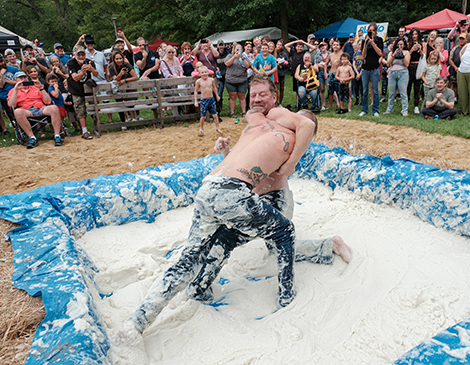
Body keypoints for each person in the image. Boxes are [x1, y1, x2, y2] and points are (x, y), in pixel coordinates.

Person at [113, 75, 323, 359]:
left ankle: (136, 322)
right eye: (254, 95)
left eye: (264, 95)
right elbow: (247, 160)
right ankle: (287, 296)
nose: (258, 100)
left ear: (276, 100)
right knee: (280, 234)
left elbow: (304, 125)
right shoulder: (259, 122)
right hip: (232, 193)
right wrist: (229, 149)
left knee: (191, 260)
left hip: (213, 191)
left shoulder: (269, 119)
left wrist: (290, 160)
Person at [7, 71, 63, 148]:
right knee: (17, 111)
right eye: (21, 78)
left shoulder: (35, 87)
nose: (24, 79)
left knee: (54, 108)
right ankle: (32, 138)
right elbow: (11, 105)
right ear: (16, 80)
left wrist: (41, 88)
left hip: (40, 108)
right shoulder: (12, 91)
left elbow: (48, 101)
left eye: (25, 77)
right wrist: (16, 90)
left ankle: (57, 136)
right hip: (26, 111)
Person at [66, 45, 98, 139]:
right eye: (79, 54)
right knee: (80, 110)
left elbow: (96, 74)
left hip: (88, 89)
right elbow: (75, 78)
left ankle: (96, 127)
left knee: (94, 107)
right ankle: (84, 131)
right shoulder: (71, 63)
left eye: (82, 54)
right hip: (76, 89)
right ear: (74, 55)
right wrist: (83, 72)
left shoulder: (89, 61)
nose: (81, 56)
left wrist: (91, 69)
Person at [359, 22, 384, 117]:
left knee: (375, 91)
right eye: (370, 31)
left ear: (376, 31)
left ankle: (375, 110)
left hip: (374, 68)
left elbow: (379, 53)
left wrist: (372, 43)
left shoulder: (379, 40)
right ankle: (364, 110)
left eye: (373, 30)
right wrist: (366, 43)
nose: (371, 32)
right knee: (364, 91)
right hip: (365, 68)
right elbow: (362, 55)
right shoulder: (364, 41)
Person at [108, 50, 138, 124]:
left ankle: (133, 118)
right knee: (119, 101)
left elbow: (135, 77)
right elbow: (115, 79)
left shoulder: (127, 65)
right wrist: (120, 74)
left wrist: (125, 80)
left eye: (120, 58)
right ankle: (124, 121)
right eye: (117, 59)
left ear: (123, 58)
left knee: (129, 99)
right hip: (118, 88)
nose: (119, 60)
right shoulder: (111, 67)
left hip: (128, 87)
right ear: (114, 59)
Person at [384, 37, 410, 116]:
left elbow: (406, 64)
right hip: (392, 73)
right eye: (398, 44)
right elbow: (388, 63)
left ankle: (405, 110)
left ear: (404, 45)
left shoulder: (406, 52)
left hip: (403, 73)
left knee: (403, 93)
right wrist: (394, 54)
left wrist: (402, 56)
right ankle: (389, 109)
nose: (399, 46)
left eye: (401, 44)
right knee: (391, 93)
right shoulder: (391, 52)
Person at [224, 42, 250, 118]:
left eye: (240, 49)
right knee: (232, 97)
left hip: (242, 80)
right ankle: (232, 113)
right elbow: (227, 64)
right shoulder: (229, 56)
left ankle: (244, 112)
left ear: (242, 50)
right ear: (234, 49)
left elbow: (247, 66)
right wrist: (234, 57)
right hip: (231, 80)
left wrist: (242, 58)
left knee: (242, 97)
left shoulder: (244, 56)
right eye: (237, 49)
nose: (238, 50)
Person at [194, 66, 222, 136]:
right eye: (202, 72)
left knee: (215, 115)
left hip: (211, 99)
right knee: (203, 116)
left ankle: (218, 127)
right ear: (199, 74)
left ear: (208, 72)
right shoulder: (198, 81)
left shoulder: (211, 80)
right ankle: (201, 128)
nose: (204, 74)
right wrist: (195, 101)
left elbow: (214, 88)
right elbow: (196, 91)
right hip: (204, 100)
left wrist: (217, 95)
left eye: (205, 72)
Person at [160, 45, 184, 121]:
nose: (171, 54)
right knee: (173, 98)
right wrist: (177, 78)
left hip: (178, 81)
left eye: (172, 52)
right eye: (169, 52)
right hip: (169, 83)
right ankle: (176, 116)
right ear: (166, 52)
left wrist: (180, 76)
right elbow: (167, 75)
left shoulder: (176, 59)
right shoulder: (163, 62)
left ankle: (183, 112)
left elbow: (180, 69)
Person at [407, 27, 425, 115]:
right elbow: (406, 56)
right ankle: (405, 105)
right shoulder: (408, 43)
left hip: (418, 65)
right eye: (413, 34)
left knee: (417, 86)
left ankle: (416, 106)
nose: (414, 36)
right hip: (410, 65)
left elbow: (423, 56)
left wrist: (420, 49)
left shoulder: (422, 43)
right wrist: (411, 50)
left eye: (416, 34)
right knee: (408, 86)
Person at [0, 53, 18, 134]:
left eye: (1, 61)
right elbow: (1, 85)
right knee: (10, 114)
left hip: (16, 93)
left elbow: (19, 82)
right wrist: (1, 74)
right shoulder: (1, 72)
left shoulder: (13, 69)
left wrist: (6, 80)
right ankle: (16, 128)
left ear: (4, 60)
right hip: (4, 96)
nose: (1, 63)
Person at [324, 39, 342, 110]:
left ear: (339, 46)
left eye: (337, 45)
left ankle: (341, 105)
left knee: (339, 91)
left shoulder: (341, 54)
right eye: (334, 45)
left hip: (339, 74)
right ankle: (330, 106)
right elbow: (326, 64)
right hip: (331, 73)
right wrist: (326, 73)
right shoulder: (330, 55)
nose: (335, 46)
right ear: (332, 46)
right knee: (330, 91)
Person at [449, 33, 467, 99]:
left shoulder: (468, 48)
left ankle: (464, 99)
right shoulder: (455, 48)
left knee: (465, 86)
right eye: (460, 39)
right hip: (455, 69)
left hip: (466, 70)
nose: (461, 40)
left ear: (466, 39)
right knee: (454, 85)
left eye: (463, 39)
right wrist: (455, 67)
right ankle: (455, 98)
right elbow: (450, 59)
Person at [314, 42, 329, 110]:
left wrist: (324, 64)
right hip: (320, 72)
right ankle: (323, 104)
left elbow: (332, 63)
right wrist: (325, 64)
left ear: (326, 46)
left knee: (329, 87)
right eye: (321, 46)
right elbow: (316, 64)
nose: (322, 47)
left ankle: (337, 103)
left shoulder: (330, 54)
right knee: (321, 88)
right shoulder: (317, 55)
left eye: (324, 46)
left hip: (329, 72)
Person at [215, 40, 229, 112]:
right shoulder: (216, 54)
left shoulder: (227, 53)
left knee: (230, 93)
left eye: (222, 45)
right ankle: (219, 109)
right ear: (217, 46)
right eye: (219, 45)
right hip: (219, 76)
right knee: (219, 93)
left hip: (227, 75)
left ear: (224, 45)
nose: (221, 46)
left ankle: (231, 110)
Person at [458, 43, 470, 115]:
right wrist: (462, 63)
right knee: (462, 92)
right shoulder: (467, 45)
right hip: (461, 71)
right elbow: (461, 52)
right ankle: (465, 111)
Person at [275, 39, 289, 106]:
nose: (279, 46)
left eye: (280, 45)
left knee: (282, 88)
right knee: (275, 89)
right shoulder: (274, 53)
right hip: (275, 73)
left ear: (282, 46)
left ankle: (280, 103)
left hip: (282, 73)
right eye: (278, 44)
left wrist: (283, 64)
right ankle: (275, 102)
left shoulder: (284, 54)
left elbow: (288, 64)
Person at [352, 41, 363, 106]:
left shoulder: (364, 53)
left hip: (362, 72)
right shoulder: (355, 53)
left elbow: (364, 63)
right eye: (359, 44)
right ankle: (357, 100)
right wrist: (357, 73)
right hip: (356, 72)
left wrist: (360, 73)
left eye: (361, 44)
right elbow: (354, 64)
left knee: (362, 87)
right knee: (356, 87)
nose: (360, 45)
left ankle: (362, 100)